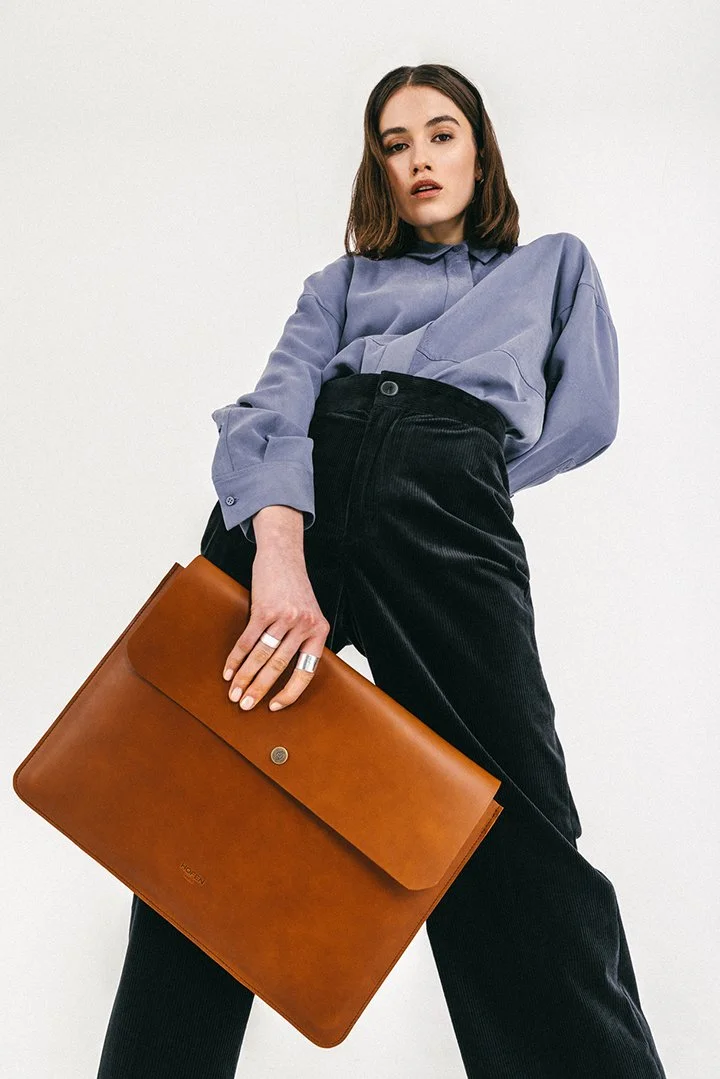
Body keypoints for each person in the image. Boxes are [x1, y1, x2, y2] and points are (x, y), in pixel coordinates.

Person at [96, 64, 667, 1079]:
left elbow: (588, 417)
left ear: (480, 148)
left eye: (440, 135)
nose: (419, 161)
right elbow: (272, 406)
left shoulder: (553, 268)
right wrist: (278, 553)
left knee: (512, 820)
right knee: (201, 817)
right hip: (292, 495)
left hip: (441, 499)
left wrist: (461, 474)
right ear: (380, 167)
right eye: (396, 145)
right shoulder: (342, 283)